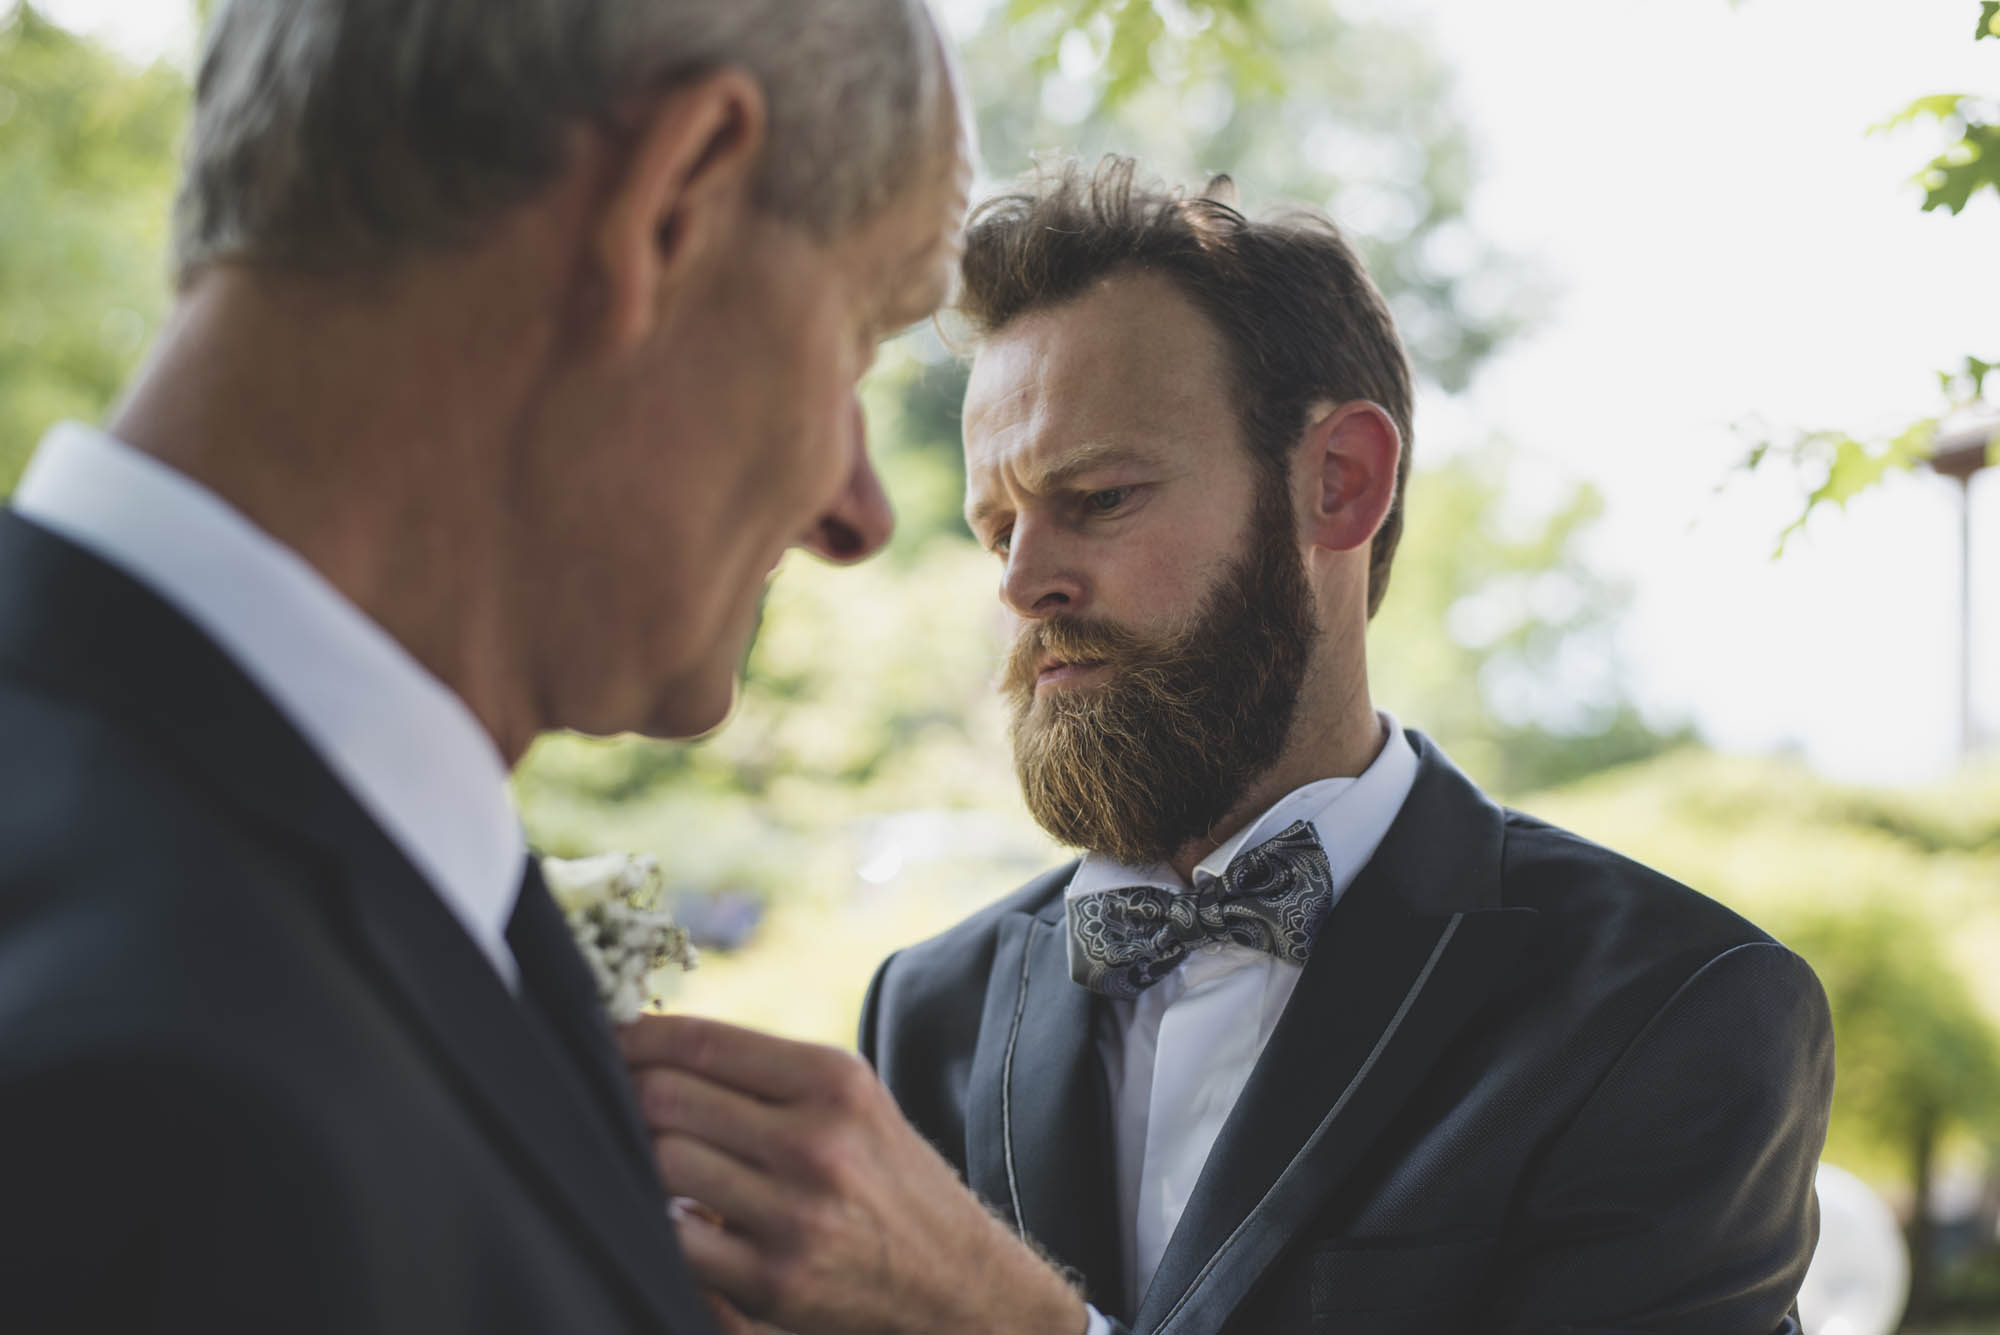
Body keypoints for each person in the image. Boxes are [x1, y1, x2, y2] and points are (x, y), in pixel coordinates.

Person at [620, 158, 1836, 1335]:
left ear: (1338, 484)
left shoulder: (1670, 1011)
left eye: (1095, 498)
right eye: (998, 529)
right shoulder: (928, 1014)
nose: (1024, 584)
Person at [0, 1, 976, 1330]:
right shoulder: (154, 1094)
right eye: (864, 332)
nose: (860, 513)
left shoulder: (268, 878)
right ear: (673, 202)